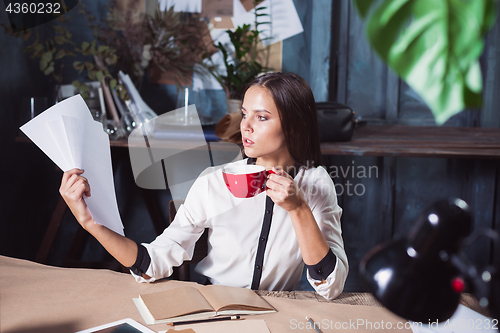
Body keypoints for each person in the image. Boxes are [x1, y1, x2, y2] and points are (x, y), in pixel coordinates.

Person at [59, 72, 348, 300]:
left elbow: (330, 286)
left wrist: (298, 209)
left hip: (278, 314)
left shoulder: (316, 183)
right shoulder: (214, 181)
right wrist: (90, 223)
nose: (246, 126)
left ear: (295, 126)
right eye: (244, 114)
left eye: (261, 117)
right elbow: (151, 265)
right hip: (216, 311)